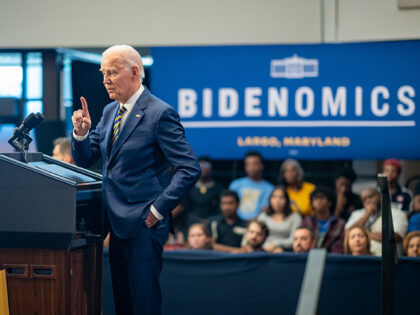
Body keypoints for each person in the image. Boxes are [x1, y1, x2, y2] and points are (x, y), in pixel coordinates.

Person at [71, 45, 201, 315]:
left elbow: (189, 168)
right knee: (123, 303)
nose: (105, 80)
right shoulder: (109, 112)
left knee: (143, 303)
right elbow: (87, 158)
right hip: (114, 222)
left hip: (143, 223)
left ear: (134, 73)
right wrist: (81, 134)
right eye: (103, 73)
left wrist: (157, 210)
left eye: (112, 72)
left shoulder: (159, 114)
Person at [346, 187, 408, 256]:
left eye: (370, 196)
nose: (368, 201)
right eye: (364, 199)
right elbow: (348, 234)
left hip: (388, 261)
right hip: (363, 260)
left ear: (380, 196)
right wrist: (367, 214)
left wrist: (365, 235)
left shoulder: (396, 213)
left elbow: (394, 237)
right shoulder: (357, 214)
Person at [177, 156, 225, 231]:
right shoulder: (188, 187)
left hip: (213, 224)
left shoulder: (220, 189)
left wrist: (208, 221)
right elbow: (184, 208)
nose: (203, 168)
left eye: (206, 165)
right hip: (190, 224)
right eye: (200, 165)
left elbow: (221, 210)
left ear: (212, 168)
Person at [229, 151, 274, 220]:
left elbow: (265, 211)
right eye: (248, 164)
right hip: (235, 223)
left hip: (257, 225)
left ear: (262, 166)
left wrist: (251, 223)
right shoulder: (236, 184)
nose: (251, 167)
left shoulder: (269, 189)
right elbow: (229, 205)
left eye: (254, 164)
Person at [302, 186, 346, 253]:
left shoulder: (340, 224)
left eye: (322, 198)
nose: (318, 201)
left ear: (330, 202)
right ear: (312, 203)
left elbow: (340, 246)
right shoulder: (307, 222)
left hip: (332, 259)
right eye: (315, 199)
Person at [257, 186, 302, 252]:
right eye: (274, 197)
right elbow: (257, 236)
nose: (277, 201)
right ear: (270, 199)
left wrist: (275, 244)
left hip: (287, 251)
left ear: (287, 200)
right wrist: (267, 247)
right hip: (263, 250)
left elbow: (295, 240)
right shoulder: (263, 216)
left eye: (281, 197)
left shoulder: (295, 217)